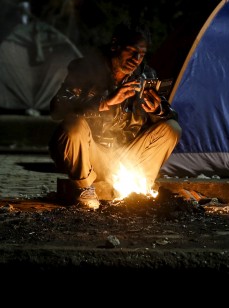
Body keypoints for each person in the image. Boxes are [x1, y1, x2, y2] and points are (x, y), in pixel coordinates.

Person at [48, 22, 181, 209]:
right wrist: (104, 102)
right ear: (115, 45)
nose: (136, 59)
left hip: (128, 157)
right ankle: (85, 188)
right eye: (131, 51)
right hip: (94, 154)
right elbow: (57, 108)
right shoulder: (86, 69)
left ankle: (141, 188)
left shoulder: (145, 75)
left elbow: (171, 117)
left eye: (141, 54)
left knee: (171, 129)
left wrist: (158, 110)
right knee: (73, 126)